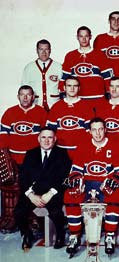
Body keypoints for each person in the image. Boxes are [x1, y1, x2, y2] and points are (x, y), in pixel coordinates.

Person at [63, 117, 119, 257]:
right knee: (71, 193)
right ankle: (74, 235)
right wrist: (77, 180)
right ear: (89, 131)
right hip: (87, 183)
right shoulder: (83, 146)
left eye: (100, 129)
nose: (97, 133)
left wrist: (112, 180)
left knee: (114, 193)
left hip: (105, 182)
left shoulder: (115, 146)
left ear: (105, 130)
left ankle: (110, 234)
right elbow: (75, 170)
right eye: (94, 130)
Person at [14, 127, 71, 251]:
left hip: (53, 192)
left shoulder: (62, 154)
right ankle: (26, 234)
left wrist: (50, 193)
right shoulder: (30, 154)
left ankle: (60, 234)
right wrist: (30, 195)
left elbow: (65, 177)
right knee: (18, 212)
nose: (46, 141)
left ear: (54, 139)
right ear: (38, 139)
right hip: (34, 192)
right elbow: (23, 177)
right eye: (43, 137)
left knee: (56, 212)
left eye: (50, 137)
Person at [0, 86, 47, 232]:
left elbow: (46, 136)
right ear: (18, 96)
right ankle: (12, 218)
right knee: (13, 188)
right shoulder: (10, 112)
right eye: (22, 95)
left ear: (33, 96)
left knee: (34, 188)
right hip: (14, 159)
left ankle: (33, 217)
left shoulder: (41, 112)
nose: (25, 98)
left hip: (33, 161)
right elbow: (3, 137)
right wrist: (6, 157)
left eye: (28, 95)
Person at [60, 26, 113, 101]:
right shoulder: (70, 56)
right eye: (81, 36)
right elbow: (64, 78)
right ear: (77, 37)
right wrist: (62, 93)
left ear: (90, 37)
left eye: (86, 36)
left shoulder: (100, 55)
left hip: (97, 99)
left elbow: (108, 77)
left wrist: (109, 94)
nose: (84, 39)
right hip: (77, 100)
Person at [46, 76, 94, 154]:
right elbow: (50, 131)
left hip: (80, 151)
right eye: (69, 86)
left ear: (79, 88)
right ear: (64, 88)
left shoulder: (86, 107)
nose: (72, 89)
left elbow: (90, 132)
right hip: (60, 152)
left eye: (75, 86)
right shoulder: (56, 107)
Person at [21, 39, 62, 110]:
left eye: (46, 49)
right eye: (41, 49)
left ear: (50, 50)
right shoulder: (29, 67)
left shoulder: (58, 67)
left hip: (54, 106)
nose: (44, 52)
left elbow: (63, 88)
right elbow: (24, 89)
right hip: (35, 106)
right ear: (37, 51)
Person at [93, 11, 119, 78]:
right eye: (113, 19)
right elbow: (95, 62)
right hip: (105, 79)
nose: (116, 22)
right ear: (109, 21)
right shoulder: (100, 39)